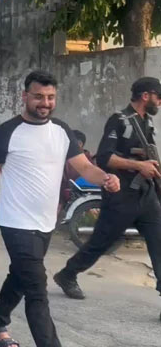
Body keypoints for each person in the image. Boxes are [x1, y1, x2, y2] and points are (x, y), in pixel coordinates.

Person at [0, 70, 120, 347]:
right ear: (25, 96)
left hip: (45, 222)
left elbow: (85, 167)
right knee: (37, 288)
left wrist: (106, 178)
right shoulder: (6, 133)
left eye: (50, 97)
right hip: (15, 222)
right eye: (38, 96)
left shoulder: (62, 130)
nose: (45, 103)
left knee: (20, 275)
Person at [53, 77, 161, 323]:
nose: (160, 102)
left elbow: (149, 157)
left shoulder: (148, 122)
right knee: (100, 243)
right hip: (121, 195)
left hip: (146, 195)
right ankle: (68, 274)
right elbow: (103, 158)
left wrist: (152, 170)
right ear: (146, 96)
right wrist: (138, 165)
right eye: (158, 97)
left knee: (159, 244)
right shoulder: (120, 120)